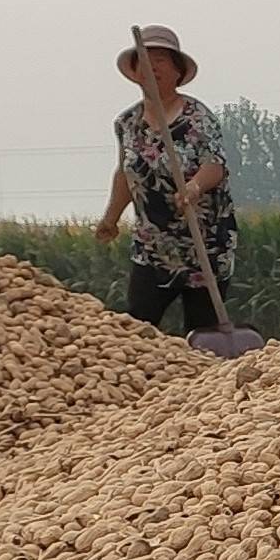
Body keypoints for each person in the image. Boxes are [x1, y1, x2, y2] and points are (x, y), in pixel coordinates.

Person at [103, 24, 236, 334]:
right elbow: (126, 174)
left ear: (177, 71)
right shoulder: (127, 123)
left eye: (161, 60)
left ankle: (204, 379)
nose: (152, 68)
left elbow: (215, 164)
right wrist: (110, 218)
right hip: (153, 245)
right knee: (138, 324)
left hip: (203, 242)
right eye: (145, 61)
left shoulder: (196, 117)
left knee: (203, 331)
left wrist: (194, 187)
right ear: (135, 72)